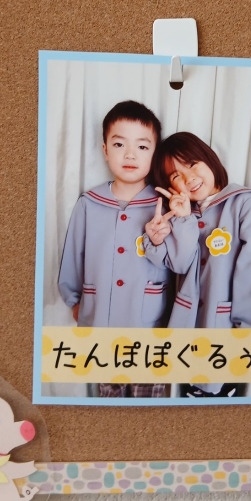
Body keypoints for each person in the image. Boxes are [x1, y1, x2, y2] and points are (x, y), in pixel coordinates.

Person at [143, 131, 251, 398]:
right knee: (189, 399)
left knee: (219, 401)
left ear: (210, 159)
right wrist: (180, 222)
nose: (188, 178)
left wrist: (249, 337)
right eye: (175, 176)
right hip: (187, 331)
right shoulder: (184, 215)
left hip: (228, 332)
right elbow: (180, 265)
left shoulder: (245, 204)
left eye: (192, 164)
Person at [57, 100, 172, 398]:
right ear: (105, 149)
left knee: (150, 406)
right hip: (100, 325)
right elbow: (73, 256)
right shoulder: (89, 203)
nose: (130, 154)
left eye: (142, 146)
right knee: (110, 403)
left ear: (155, 153)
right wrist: (74, 300)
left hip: (150, 329)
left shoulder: (166, 206)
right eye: (119, 144)